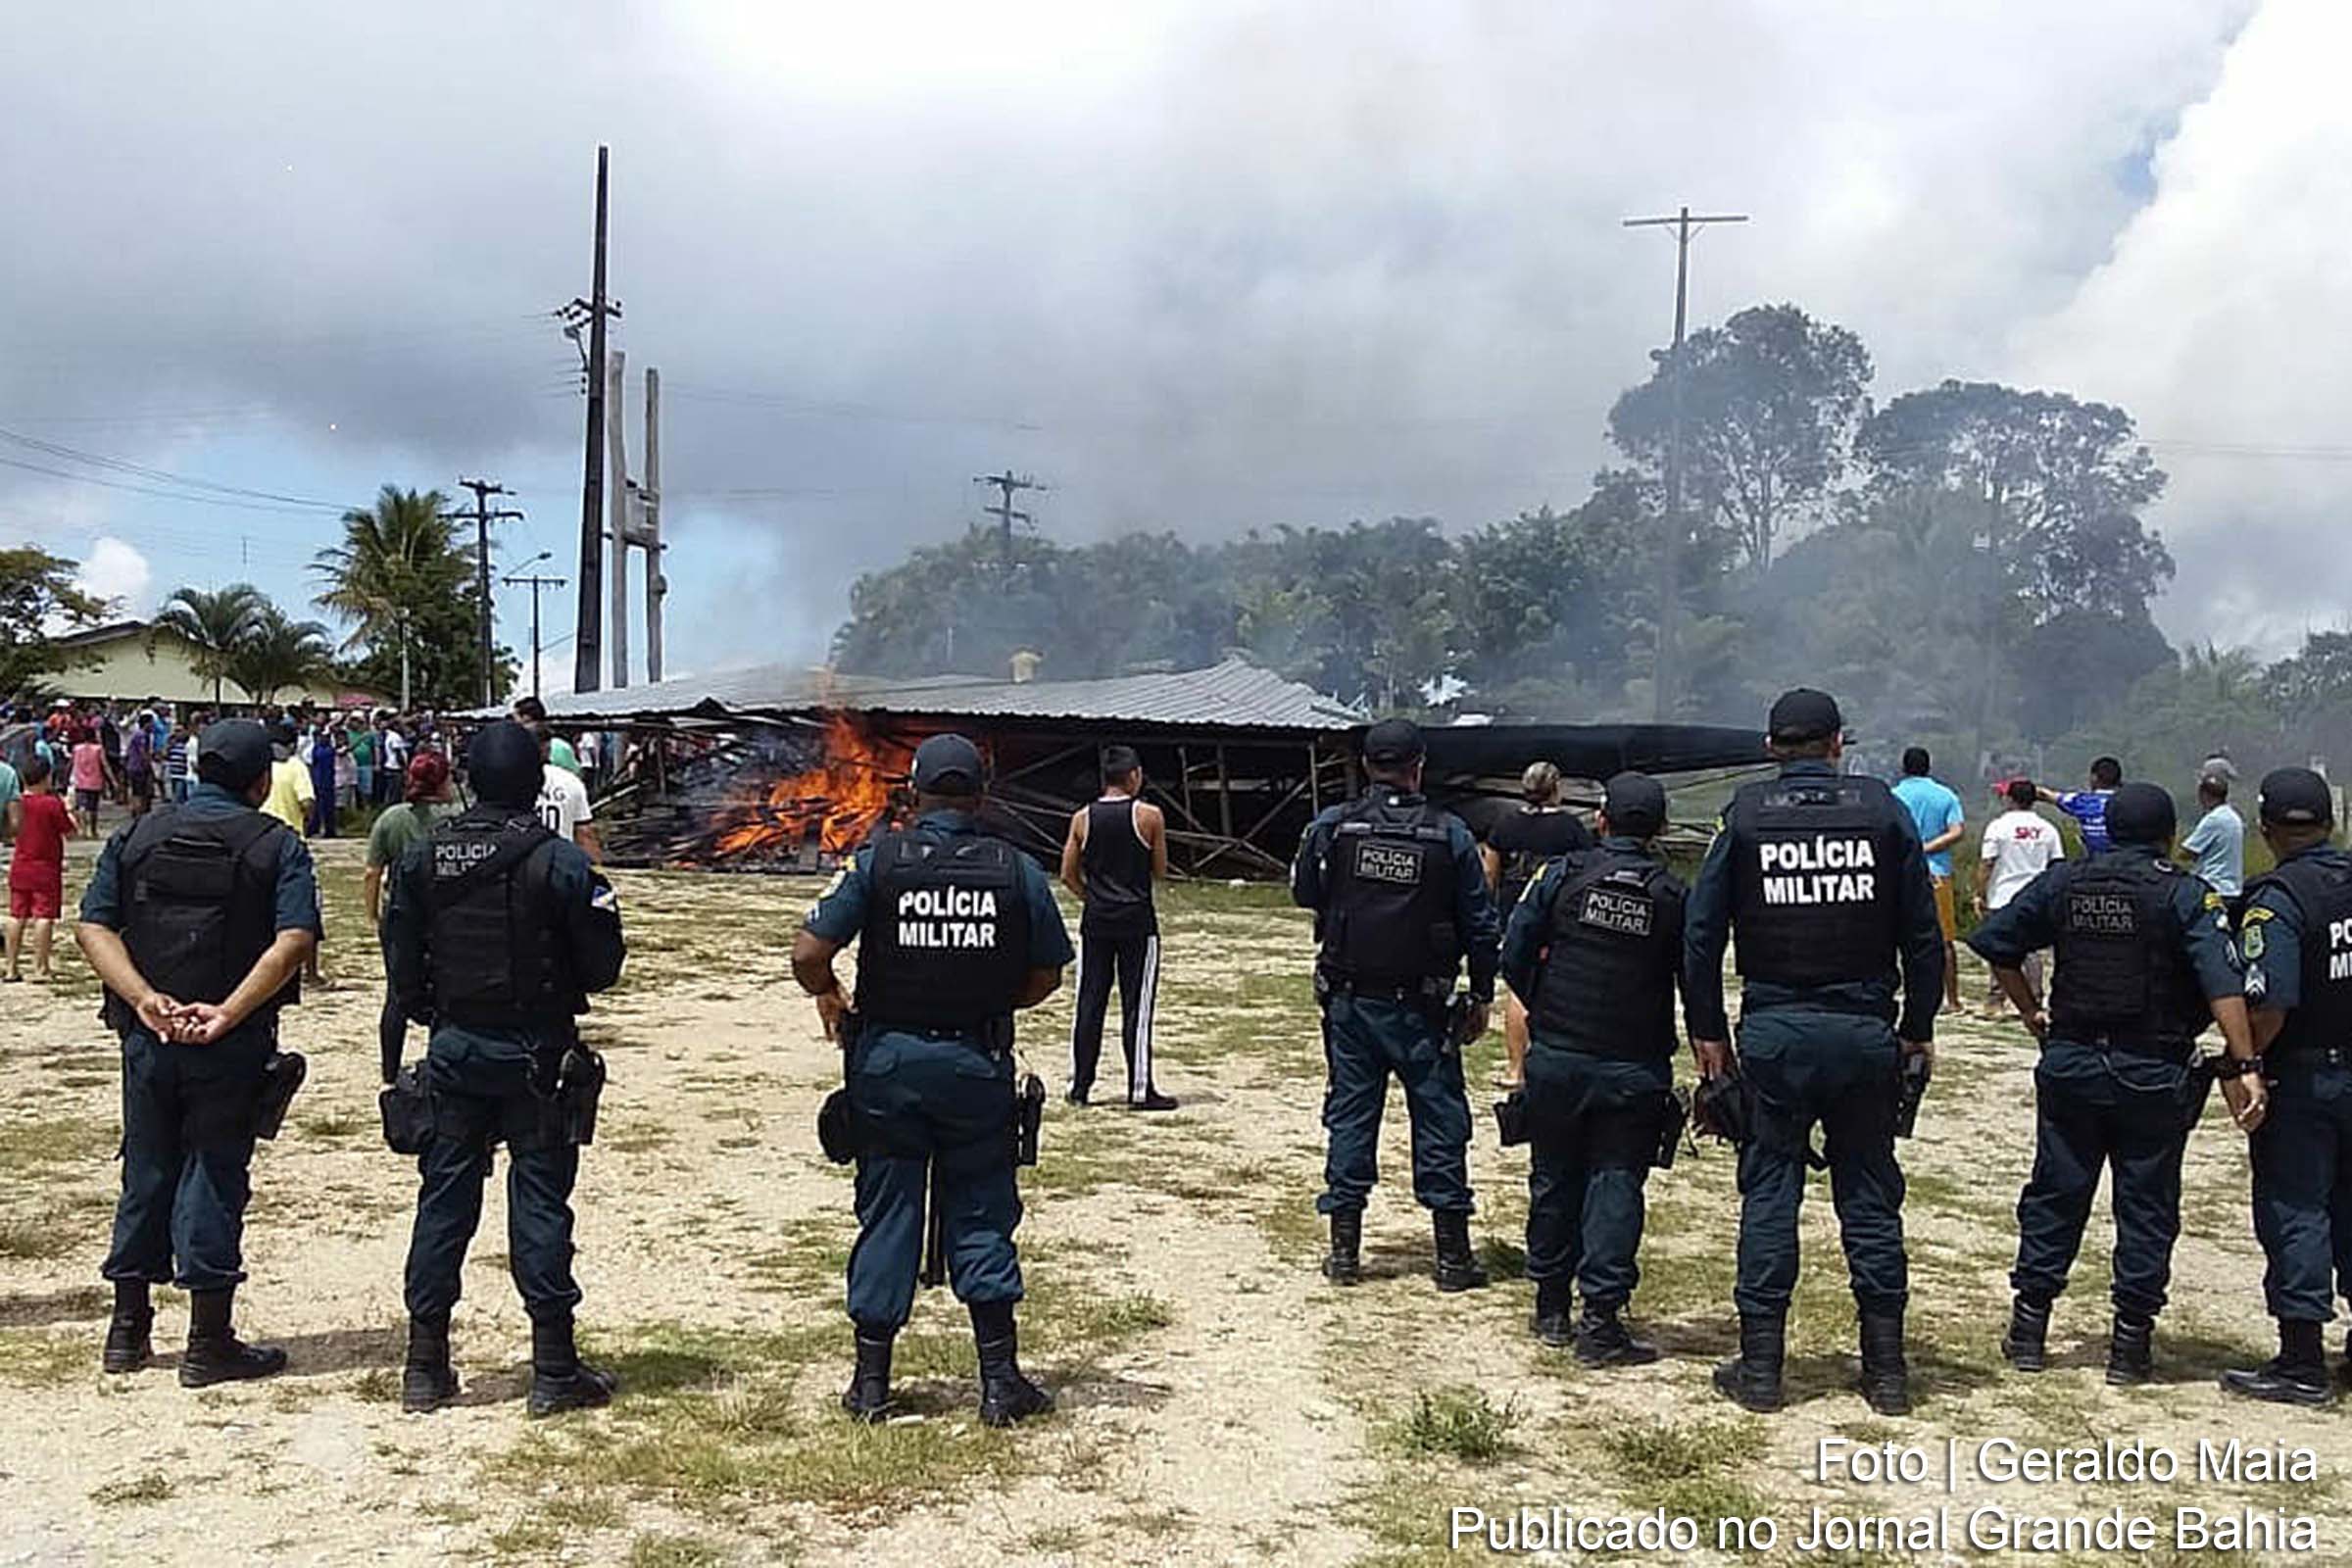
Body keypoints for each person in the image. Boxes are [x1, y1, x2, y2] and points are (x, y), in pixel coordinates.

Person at [792, 734, 1073, 1426]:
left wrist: (831, 993)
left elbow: (807, 954)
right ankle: (1001, 1383)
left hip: (888, 1063)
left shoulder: (877, 861)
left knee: (888, 1209)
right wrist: (986, 999)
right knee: (981, 1207)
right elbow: (1046, 974)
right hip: (975, 1064)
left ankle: (870, 1384)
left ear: (912, 793)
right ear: (981, 794)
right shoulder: (1016, 870)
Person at [1684, 689, 1943, 1416]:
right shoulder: (1882, 810)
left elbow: (1701, 935)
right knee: (1869, 1196)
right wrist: (1918, 1026)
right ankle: (1887, 1374)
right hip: (1865, 1033)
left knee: (1770, 1194)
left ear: (1772, 748)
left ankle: (1762, 1371)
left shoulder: (1744, 816)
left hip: (1774, 1033)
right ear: (1837, 744)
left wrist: (1707, 1031)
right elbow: (1924, 936)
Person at [1970, 782, 2260, 1385]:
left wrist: (2031, 1010)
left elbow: (1997, 943)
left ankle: (2029, 1328)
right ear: (2169, 837)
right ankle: (2131, 1344)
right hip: (2151, 1070)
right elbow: (2221, 983)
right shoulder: (2184, 894)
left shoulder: (2065, 883)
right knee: (2147, 1203)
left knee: (2056, 1191)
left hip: (2073, 1061)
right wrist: (2247, 1061)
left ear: (2101, 832)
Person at [380, 720, 624, 1416]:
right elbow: (603, 967)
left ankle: (425, 1365)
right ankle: (553, 1368)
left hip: (456, 1048)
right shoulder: (562, 864)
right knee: (540, 1201)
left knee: (444, 1201)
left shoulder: (423, 859)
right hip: (536, 1054)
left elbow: (402, 973)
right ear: (534, 785)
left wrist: (441, 1012)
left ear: (470, 780)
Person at [75, 718, 319, 1385]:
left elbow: (93, 925)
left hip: (147, 1038)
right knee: (215, 1174)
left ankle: (127, 1332)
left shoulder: (136, 833)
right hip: (230, 1043)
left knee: (146, 1171)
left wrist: (144, 998)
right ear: (260, 781)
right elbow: (295, 937)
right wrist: (229, 1012)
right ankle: (208, 1341)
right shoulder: (277, 844)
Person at [1292, 718, 1501, 1293]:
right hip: (1425, 1009)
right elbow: (1482, 926)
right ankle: (1453, 1260)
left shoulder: (1332, 828)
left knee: (1351, 1115)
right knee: (1439, 1120)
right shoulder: (1451, 835)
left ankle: (1344, 1254)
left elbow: (1305, 892)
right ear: (1419, 767)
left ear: (1366, 766)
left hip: (1351, 1004)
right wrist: (1481, 994)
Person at [1500, 771, 1688, 1364]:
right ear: (1658, 829)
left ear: (1601, 819)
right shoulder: (1673, 895)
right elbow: (1694, 977)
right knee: (1616, 1181)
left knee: (1554, 1175)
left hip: (1558, 1056)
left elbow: (1514, 953)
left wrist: (1547, 1004)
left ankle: (1551, 1306)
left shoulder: (1560, 876)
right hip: (1633, 1064)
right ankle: (1601, 1321)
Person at [2223, 768, 2352, 1404]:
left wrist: (2242, 1061)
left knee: (2297, 1208)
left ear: (2267, 827)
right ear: (2328, 821)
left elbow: (2269, 1001)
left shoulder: (2277, 898)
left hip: (2305, 1074)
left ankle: (2302, 1361)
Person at [1058, 744, 1176, 1110]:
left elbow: (1067, 874)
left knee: (1089, 1003)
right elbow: (1160, 870)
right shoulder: (1150, 816)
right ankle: (1139, 1089)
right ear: (1134, 776)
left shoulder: (1082, 818)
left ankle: (1080, 1086)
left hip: (1096, 921)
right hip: (1137, 922)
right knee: (1136, 1008)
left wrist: (1092, 898)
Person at [1482, 760, 1594, 1091]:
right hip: (1556, 913)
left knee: (1518, 987)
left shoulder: (1505, 824)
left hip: (1514, 910)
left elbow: (1490, 870)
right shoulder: (1570, 829)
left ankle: (1516, 1068)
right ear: (1555, 788)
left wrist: (1490, 907)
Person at [366, 752, 462, 1086]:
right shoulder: (458, 816)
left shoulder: (391, 819)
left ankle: (389, 1071)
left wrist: (372, 911)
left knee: (396, 994)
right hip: (445, 914)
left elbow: (372, 871)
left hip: (399, 913)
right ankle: (440, 1062)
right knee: (445, 989)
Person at [1977, 779, 2064, 1014]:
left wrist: (1980, 894)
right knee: (2031, 952)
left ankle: (1996, 1000)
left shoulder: (1998, 827)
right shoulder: (2047, 829)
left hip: (2002, 895)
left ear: (2009, 799)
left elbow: (1987, 863)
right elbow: (2057, 864)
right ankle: (2033, 998)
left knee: (1998, 949)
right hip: (2036, 896)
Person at [1891, 748, 1967, 1013]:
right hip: (1938, 872)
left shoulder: (1894, 796)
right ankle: (1953, 998)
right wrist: (1928, 848)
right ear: (1928, 766)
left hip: (1898, 871)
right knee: (1944, 939)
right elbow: (1957, 831)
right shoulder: (1945, 795)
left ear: (1904, 767)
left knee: (1894, 936)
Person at [6, 757, 73, 982]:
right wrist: (69, 808)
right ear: (46, 777)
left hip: (20, 864)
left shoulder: (16, 802)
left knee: (16, 916)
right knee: (43, 916)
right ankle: (40, 968)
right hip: (45, 867)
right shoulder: (51, 803)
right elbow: (70, 831)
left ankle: (11, 967)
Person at [2180, 772, 2245, 903]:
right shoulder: (2233, 817)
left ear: (2203, 794)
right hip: (2233, 889)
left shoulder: (2213, 819)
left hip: (2213, 887)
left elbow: (2187, 852)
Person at [2042, 757, 2123, 857]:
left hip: (2095, 863)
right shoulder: (2129, 802)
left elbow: (2046, 795)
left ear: (2094, 777)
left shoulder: (2082, 802)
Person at [514, 697, 581, 776]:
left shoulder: (515, 745)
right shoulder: (559, 745)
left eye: (516, 717)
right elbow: (575, 773)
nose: (514, 721)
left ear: (526, 717)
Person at [71, 728, 108, 837]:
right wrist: (112, 780)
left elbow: (71, 763)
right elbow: (104, 765)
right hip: (95, 781)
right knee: (93, 808)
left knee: (81, 806)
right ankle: (93, 830)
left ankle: (83, 830)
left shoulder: (76, 748)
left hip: (79, 781)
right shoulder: (98, 749)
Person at [122, 711, 155, 818]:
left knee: (137, 791)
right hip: (139, 768)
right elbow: (143, 753)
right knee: (140, 792)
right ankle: (138, 813)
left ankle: (136, 811)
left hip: (133, 767)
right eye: (151, 723)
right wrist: (149, 766)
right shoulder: (142, 735)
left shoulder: (139, 735)